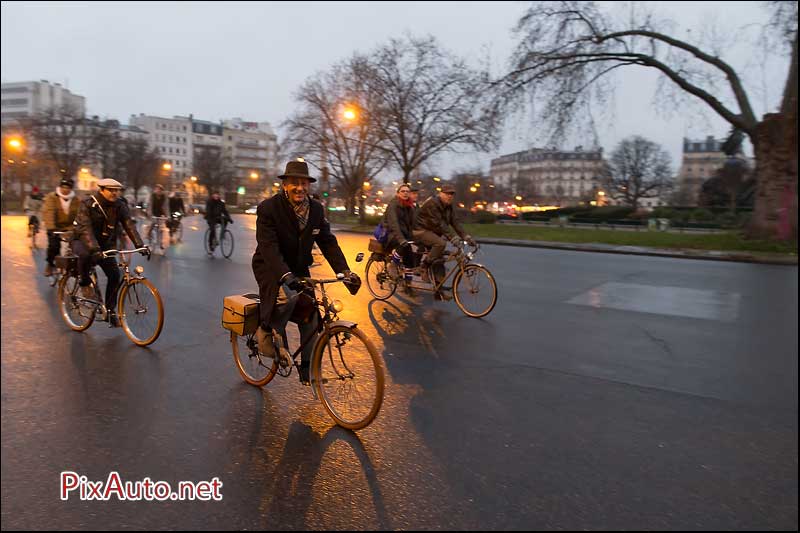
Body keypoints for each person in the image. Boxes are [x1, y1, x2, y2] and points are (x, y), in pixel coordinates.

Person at [252, 160, 360, 384]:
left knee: (311, 315)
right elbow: (268, 247)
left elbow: (328, 242)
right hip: (270, 267)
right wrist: (284, 275)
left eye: (303, 183)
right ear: (285, 185)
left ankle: (308, 368)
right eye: (294, 183)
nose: (299, 187)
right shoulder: (269, 208)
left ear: (308, 185)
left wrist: (345, 271)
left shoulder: (316, 210)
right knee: (287, 297)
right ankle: (266, 330)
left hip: (298, 269)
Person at [72, 178, 149, 327]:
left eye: (117, 190)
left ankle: (110, 310)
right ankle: (84, 284)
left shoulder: (120, 205)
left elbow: (129, 225)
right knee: (85, 255)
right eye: (111, 190)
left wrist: (140, 245)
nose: (115, 193)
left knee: (115, 275)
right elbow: (85, 229)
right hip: (82, 240)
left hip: (104, 244)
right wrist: (95, 249)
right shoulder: (88, 204)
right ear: (102, 190)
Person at [412, 183, 475, 300]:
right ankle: (423, 267)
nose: (450, 196)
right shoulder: (433, 203)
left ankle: (438, 291)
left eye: (452, 194)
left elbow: (455, 222)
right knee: (440, 243)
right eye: (447, 194)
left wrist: (466, 237)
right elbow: (439, 224)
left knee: (439, 260)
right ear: (440, 194)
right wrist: (453, 238)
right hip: (420, 231)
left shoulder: (448, 206)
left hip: (433, 232)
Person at [41, 177, 80, 276]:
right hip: (55, 227)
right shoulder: (52, 197)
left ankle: (73, 267)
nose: (65, 189)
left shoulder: (76, 200)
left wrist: (74, 228)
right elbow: (49, 212)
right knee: (54, 246)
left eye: (68, 187)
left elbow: (79, 215)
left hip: (69, 227)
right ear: (60, 187)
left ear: (71, 189)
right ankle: (50, 264)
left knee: (76, 246)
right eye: (63, 187)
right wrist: (51, 228)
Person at [383, 183, 417, 274]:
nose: (405, 193)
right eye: (403, 191)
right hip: (390, 234)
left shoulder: (409, 206)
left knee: (409, 258)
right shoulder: (393, 205)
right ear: (398, 193)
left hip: (403, 235)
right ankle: (393, 264)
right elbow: (394, 224)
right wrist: (401, 239)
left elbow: (413, 224)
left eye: (407, 191)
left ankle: (407, 285)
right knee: (404, 245)